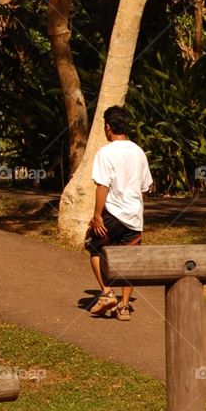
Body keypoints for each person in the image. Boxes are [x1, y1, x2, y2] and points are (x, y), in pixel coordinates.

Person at [84, 106, 153, 321]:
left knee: (93, 245)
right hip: (134, 215)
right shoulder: (139, 152)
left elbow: (102, 186)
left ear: (107, 127)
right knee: (129, 260)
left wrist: (97, 215)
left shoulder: (105, 152)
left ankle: (106, 293)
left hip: (113, 213)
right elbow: (145, 187)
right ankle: (124, 308)